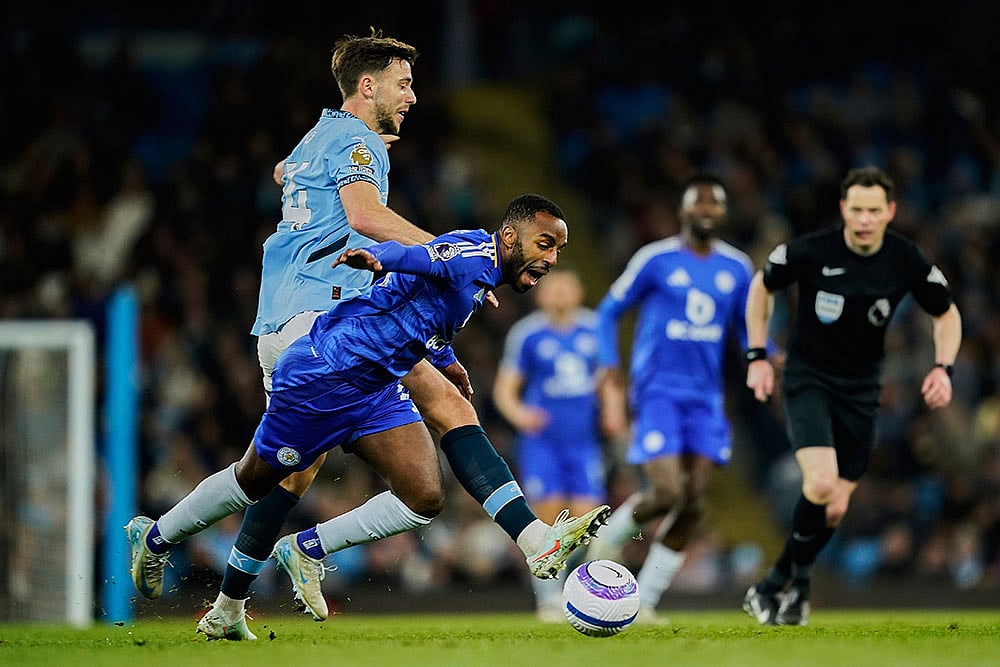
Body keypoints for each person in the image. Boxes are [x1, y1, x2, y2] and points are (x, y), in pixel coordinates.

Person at [147, 30, 607, 640]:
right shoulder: (358, 144)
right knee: (304, 459)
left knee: (393, 484)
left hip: (300, 319)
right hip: (318, 320)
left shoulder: (322, 137)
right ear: (368, 86)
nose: (413, 96)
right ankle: (533, 538)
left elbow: (289, 170)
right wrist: (454, 256)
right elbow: (367, 219)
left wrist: (440, 343)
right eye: (403, 83)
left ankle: (235, 598)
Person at [125, 194, 611, 629]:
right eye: (544, 245)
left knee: (423, 495)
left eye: (558, 251)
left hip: (376, 384)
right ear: (510, 236)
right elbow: (415, 256)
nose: (550, 258)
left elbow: (423, 318)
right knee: (255, 478)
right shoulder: (471, 255)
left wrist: (449, 363)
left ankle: (306, 549)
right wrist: (375, 257)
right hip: (326, 374)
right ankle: (158, 536)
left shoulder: (482, 280)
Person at [742, 166, 962, 626]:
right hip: (806, 379)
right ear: (844, 209)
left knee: (836, 506)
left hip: (862, 391)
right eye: (856, 209)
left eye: (874, 210)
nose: (864, 218)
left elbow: (946, 314)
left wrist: (943, 368)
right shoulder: (812, 249)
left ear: (890, 212)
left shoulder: (905, 259)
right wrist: (758, 354)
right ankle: (798, 589)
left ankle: (773, 585)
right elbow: (762, 286)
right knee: (820, 485)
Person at [586, 172, 756, 623]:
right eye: (697, 203)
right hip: (658, 391)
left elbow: (745, 326)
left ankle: (647, 599)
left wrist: (765, 356)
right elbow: (608, 310)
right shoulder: (655, 260)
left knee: (694, 503)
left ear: (722, 213)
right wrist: (608, 362)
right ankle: (606, 541)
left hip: (706, 398)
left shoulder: (737, 267)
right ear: (683, 212)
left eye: (714, 204)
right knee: (665, 491)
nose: (705, 210)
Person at [492, 268, 608, 622]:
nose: (558, 293)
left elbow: (609, 377)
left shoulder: (595, 327)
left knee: (588, 519)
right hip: (543, 443)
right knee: (549, 516)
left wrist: (614, 410)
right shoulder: (527, 334)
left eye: (565, 285)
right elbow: (504, 389)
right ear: (540, 295)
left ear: (579, 291)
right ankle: (547, 598)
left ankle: (585, 594)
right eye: (551, 287)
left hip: (583, 441)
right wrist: (520, 414)